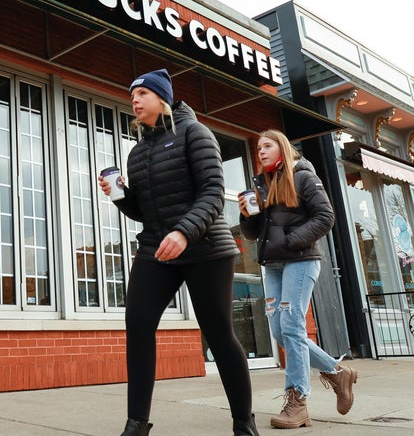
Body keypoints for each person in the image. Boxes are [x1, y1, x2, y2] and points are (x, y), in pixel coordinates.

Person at [99, 69, 259, 436]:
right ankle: (137, 424)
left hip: (206, 246)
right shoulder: (137, 153)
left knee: (218, 333)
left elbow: (213, 193)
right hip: (157, 247)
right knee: (138, 325)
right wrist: (121, 196)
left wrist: (185, 232)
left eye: (142, 93)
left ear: (163, 98)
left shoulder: (194, 133)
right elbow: (146, 211)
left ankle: (244, 423)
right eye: (132, 95)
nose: (134, 100)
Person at [238, 130, 358, 429]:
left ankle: (298, 402)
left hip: (301, 262)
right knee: (281, 332)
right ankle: (337, 372)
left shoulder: (303, 176)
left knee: (292, 327)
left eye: (267, 145)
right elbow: (253, 233)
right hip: (273, 266)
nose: (261, 151)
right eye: (258, 147)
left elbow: (325, 216)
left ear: (282, 148)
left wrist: (292, 242)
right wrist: (247, 216)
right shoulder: (261, 184)